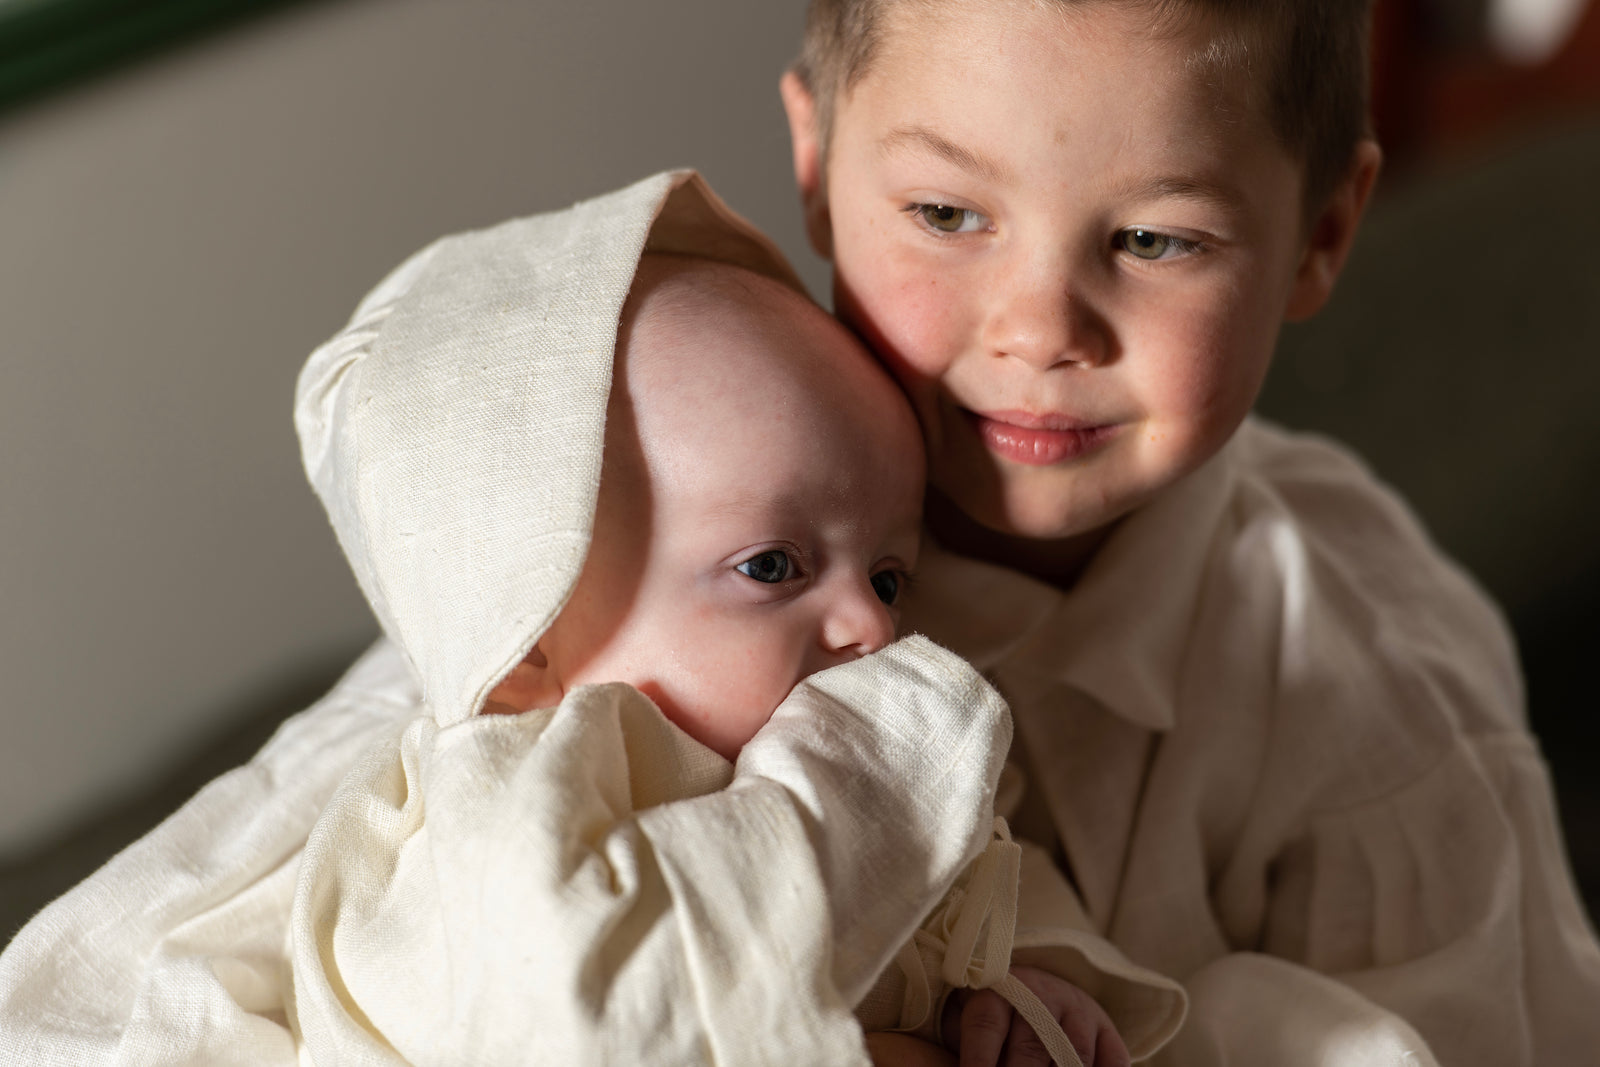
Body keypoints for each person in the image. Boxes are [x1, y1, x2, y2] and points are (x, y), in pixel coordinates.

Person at [0, 171, 1185, 1066]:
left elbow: (977, 895)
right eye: (774, 563)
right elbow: (593, 1008)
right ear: (525, 639)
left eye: (886, 574)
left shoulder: (849, 743)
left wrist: (1024, 994)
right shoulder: (515, 809)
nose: (869, 634)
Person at [776, 0, 1600, 1063]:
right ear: (814, 166)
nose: (1039, 329)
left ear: (1321, 235)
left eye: (1152, 238)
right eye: (944, 213)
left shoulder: (1376, 690)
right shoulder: (666, 533)